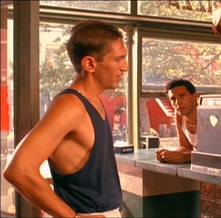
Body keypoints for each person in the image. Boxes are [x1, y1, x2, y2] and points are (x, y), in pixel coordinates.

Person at [3, 19, 128, 217]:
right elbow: (18, 170)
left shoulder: (93, 101)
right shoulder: (70, 106)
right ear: (89, 64)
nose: (125, 67)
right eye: (118, 59)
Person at [155, 79, 198, 164]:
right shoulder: (179, 115)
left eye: (182, 96)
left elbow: (216, 154)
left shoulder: (208, 116)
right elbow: (185, 146)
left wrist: (185, 157)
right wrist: (169, 155)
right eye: (173, 99)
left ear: (194, 97)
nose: (178, 103)